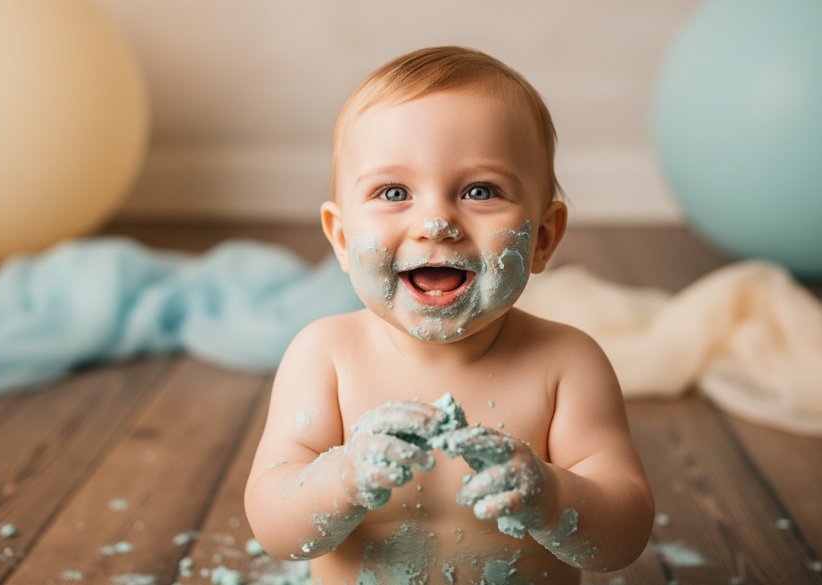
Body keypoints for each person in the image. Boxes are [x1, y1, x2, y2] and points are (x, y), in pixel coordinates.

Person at [245, 46, 653, 584]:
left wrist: (551, 499)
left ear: (543, 237)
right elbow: (276, 527)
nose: (436, 222)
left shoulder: (567, 364)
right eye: (394, 192)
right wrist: (341, 479)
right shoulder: (325, 356)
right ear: (343, 240)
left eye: (480, 191)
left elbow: (622, 536)